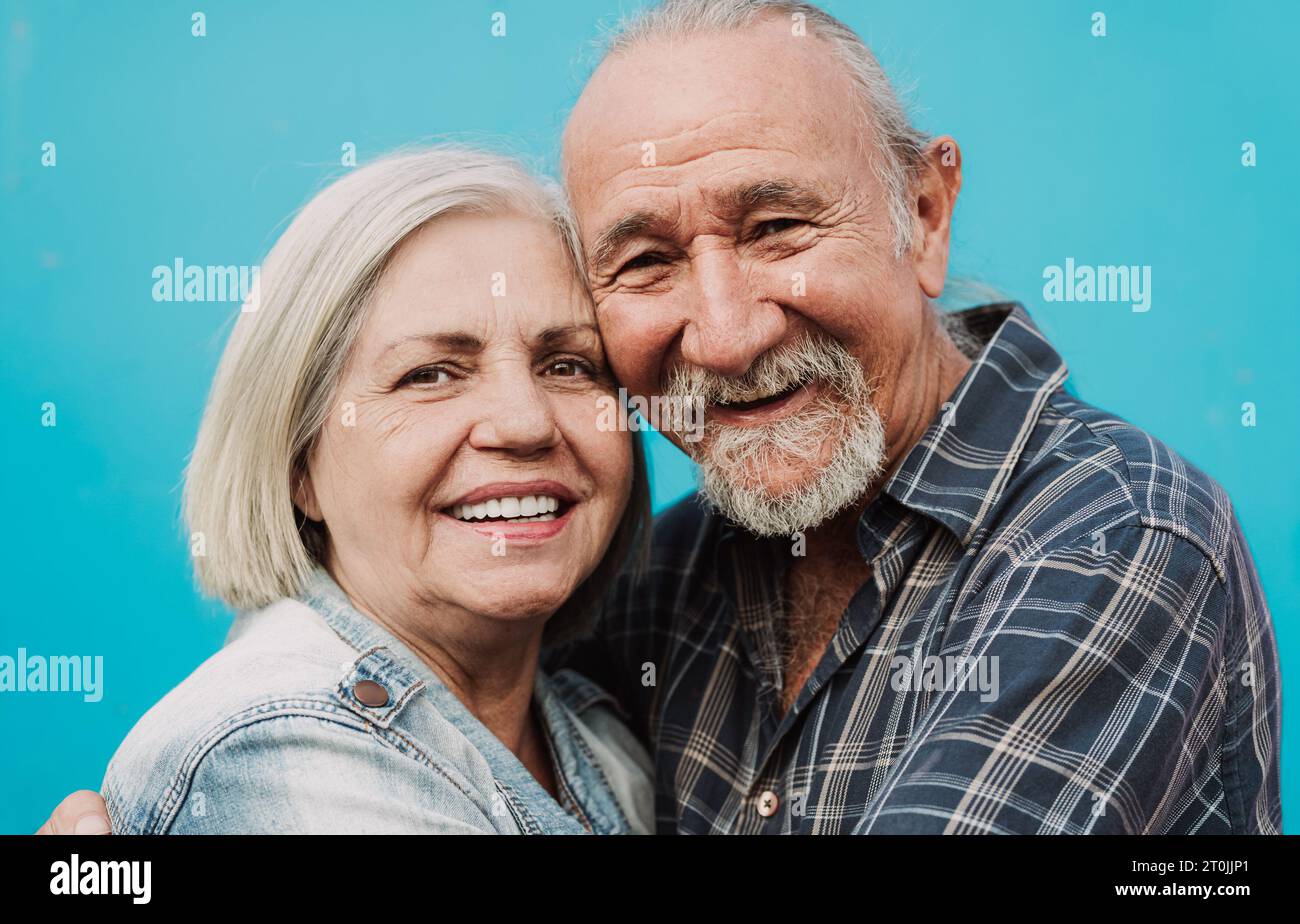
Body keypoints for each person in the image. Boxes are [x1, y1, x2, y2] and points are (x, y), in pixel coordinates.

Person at [40, 0, 1281, 836]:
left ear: (923, 213)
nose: (726, 330)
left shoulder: (1112, 537)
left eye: (778, 226)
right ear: (298, 458)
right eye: (641, 264)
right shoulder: (664, 578)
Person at [53, 146, 654, 834]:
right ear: (297, 466)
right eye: (431, 374)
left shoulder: (599, 737)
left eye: (569, 364)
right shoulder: (268, 746)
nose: (525, 423)